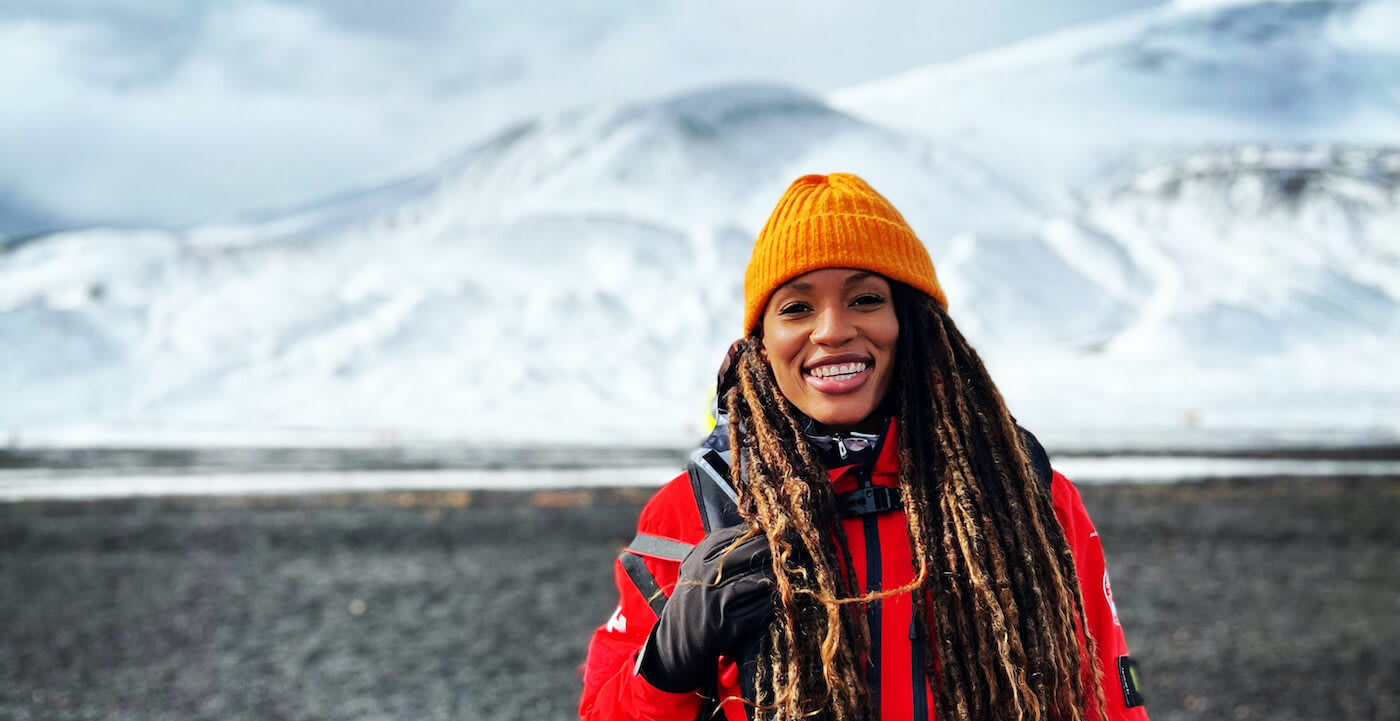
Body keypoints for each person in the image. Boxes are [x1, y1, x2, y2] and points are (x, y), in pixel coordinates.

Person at [579, 173, 1149, 721]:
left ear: (914, 322)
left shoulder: (1024, 497)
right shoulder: (692, 515)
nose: (831, 330)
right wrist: (666, 664)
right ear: (761, 343)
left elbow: (1107, 702)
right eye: (796, 307)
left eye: (865, 299)